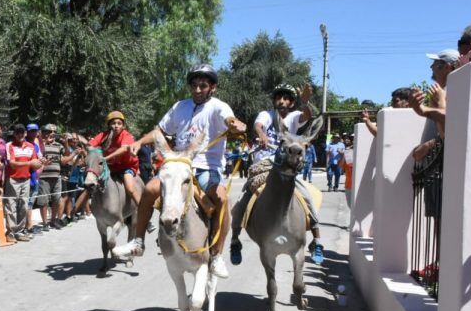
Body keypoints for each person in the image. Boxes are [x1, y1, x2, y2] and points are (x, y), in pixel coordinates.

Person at [112, 64, 247, 278]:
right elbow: (160, 131)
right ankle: (137, 242)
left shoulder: (218, 106)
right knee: (149, 189)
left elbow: (228, 119)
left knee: (222, 199)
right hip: (178, 164)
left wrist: (235, 124)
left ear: (213, 87)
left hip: (206, 167)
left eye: (203, 85)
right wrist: (139, 142)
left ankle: (217, 255)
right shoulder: (179, 106)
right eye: (194, 85)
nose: (197, 90)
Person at [230, 83, 324, 266]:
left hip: (286, 168)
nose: (282, 101)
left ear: (291, 103)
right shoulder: (267, 116)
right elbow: (258, 125)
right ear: (274, 101)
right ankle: (235, 240)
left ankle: (317, 239)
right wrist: (261, 134)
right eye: (278, 98)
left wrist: (304, 101)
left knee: (305, 196)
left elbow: (307, 116)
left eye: (286, 98)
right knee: (244, 197)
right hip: (263, 167)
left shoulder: (295, 117)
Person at [4, 124, 42, 242]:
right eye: (17, 132)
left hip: (26, 179)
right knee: (11, 206)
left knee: (24, 206)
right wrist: (30, 164)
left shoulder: (31, 146)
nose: (20, 135)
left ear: (25, 133)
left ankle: (19, 232)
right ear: (14, 134)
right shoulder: (9, 145)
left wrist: (41, 163)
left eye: (22, 132)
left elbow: (35, 163)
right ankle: (10, 232)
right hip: (13, 179)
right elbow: (12, 164)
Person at [35, 124, 63, 230]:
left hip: (56, 176)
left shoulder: (58, 145)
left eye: (53, 132)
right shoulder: (40, 144)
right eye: (49, 132)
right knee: (43, 200)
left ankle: (53, 220)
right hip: (43, 176)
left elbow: (64, 159)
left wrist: (65, 145)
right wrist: (44, 142)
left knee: (57, 199)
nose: (51, 134)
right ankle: (45, 222)